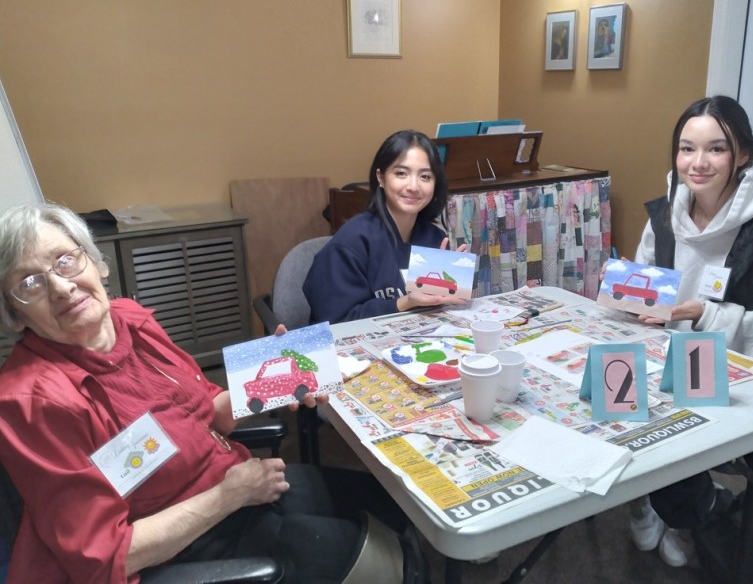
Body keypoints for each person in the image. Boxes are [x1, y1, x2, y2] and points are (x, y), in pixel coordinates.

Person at [0, 202, 427, 583]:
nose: (61, 287)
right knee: (397, 564)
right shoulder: (32, 403)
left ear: (96, 264)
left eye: (65, 261)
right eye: (30, 284)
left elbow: (208, 413)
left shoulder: (128, 318)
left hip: (238, 484)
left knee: (398, 505)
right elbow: (107, 556)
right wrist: (228, 496)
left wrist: (276, 376)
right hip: (183, 543)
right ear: (15, 314)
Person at [628, 95, 753, 567]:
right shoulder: (666, 215)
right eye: (686, 148)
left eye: (716, 149)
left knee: (673, 431)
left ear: (743, 155)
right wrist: (629, 295)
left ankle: (695, 510)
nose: (698, 162)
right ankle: (660, 497)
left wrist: (706, 317)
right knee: (611, 391)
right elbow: (647, 284)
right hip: (676, 356)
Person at [304, 129, 465, 324]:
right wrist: (405, 302)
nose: (413, 186)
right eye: (401, 174)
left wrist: (456, 281)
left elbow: (437, 308)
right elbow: (336, 322)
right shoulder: (351, 242)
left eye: (425, 177)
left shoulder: (434, 238)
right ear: (380, 177)